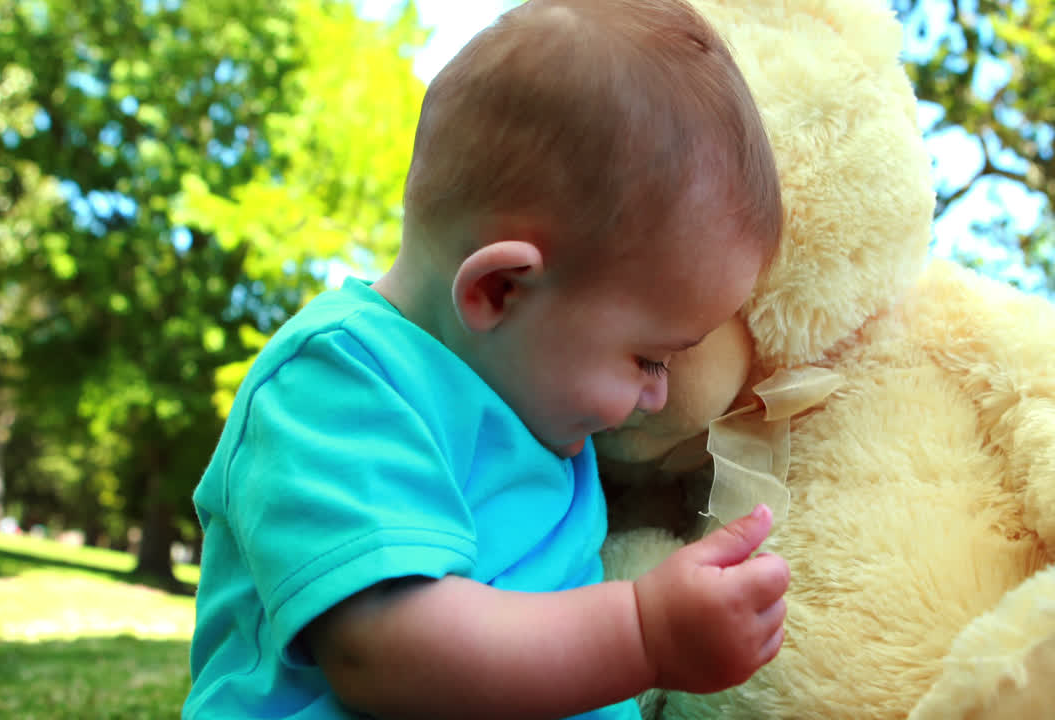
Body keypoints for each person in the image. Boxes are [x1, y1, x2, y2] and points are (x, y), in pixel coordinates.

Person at [183, 1, 789, 718]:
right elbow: (387, 653)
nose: (657, 397)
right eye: (649, 359)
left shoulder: (530, 399)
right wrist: (644, 634)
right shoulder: (337, 380)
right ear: (501, 290)